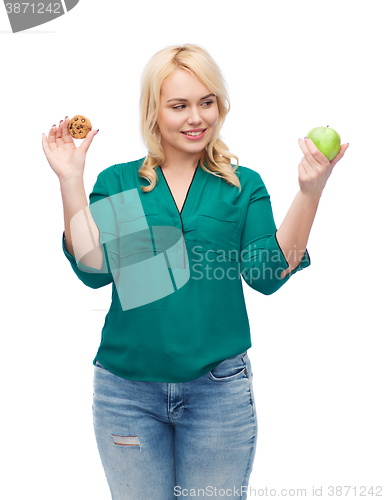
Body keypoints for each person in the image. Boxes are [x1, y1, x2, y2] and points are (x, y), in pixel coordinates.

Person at [42, 44, 348, 499]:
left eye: (206, 102)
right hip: (126, 393)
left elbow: (266, 274)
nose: (196, 117)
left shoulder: (241, 186)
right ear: (153, 110)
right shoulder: (120, 182)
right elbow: (94, 270)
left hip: (218, 393)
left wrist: (310, 192)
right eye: (179, 105)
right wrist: (70, 180)